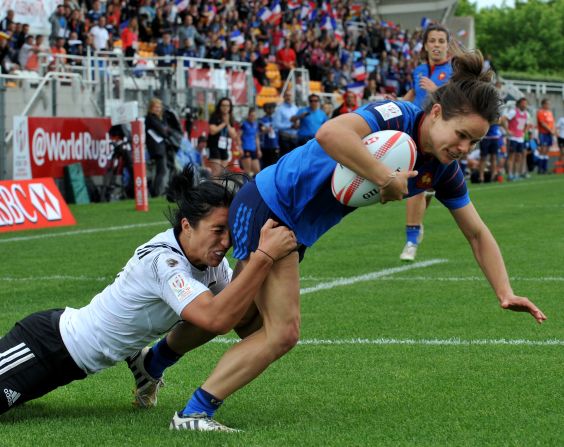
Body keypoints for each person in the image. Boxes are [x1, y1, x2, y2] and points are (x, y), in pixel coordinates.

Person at [140, 50, 546, 432]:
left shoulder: (441, 169)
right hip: (273, 204)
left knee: (245, 319)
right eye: (461, 135)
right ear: (436, 112)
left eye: (473, 143)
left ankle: (153, 361)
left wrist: (504, 291)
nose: (463, 149)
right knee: (282, 332)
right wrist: (384, 176)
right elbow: (331, 132)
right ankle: (195, 411)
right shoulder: (396, 115)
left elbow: (476, 232)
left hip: (291, 221)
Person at [0, 167, 297, 417]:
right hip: (47, 344)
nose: (226, 242)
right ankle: (151, 362)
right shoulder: (163, 261)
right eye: (218, 230)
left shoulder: (209, 262)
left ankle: (152, 363)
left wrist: (264, 261)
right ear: (187, 226)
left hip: (68, 367)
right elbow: (216, 319)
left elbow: (242, 319)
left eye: (231, 232)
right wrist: (262, 258)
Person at [399, 23, 453, 262]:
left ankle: (416, 225)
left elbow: (460, 99)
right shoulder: (419, 69)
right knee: (415, 186)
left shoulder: (454, 70)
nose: (437, 45)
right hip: (418, 134)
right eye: (433, 41)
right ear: (426, 45)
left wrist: (437, 89)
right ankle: (411, 240)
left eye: (441, 41)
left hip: (444, 135)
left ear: (447, 45)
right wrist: (398, 101)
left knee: (429, 188)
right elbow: (414, 93)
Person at [207, 97, 239, 176]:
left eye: (228, 106)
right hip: (214, 146)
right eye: (223, 105)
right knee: (216, 172)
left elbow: (233, 135)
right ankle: (213, 188)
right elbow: (212, 131)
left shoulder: (230, 118)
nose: (225, 108)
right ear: (220, 106)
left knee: (223, 173)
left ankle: (220, 188)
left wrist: (227, 123)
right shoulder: (215, 116)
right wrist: (224, 123)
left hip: (224, 147)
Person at [501, 97, 530, 181]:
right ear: (519, 104)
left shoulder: (526, 114)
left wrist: (524, 131)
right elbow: (503, 119)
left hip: (520, 138)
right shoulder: (513, 112)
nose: (524, 105)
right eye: (523, 103)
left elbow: (527, 124)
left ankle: (516, 174)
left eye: (526, 103)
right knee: (511, 156)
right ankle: (510, 174)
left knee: (519, 157)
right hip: (512, 138)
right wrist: (507, 130)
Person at [145, 97, 170, 197]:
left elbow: (165, 128)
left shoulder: (158, 118)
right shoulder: (151, 118)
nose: (158, 109)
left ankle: (156, 191)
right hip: (156, 149)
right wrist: (166, 131)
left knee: (159, 171)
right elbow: (163, 131)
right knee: (161, 171)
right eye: (155, 107)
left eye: (159, 107)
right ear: (151, 108)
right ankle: (156, 193)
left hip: (159, 148)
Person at [272, 90, 299, 156]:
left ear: (293, 97)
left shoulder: (295, 108)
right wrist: (290, 126)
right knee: (285, 159)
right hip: (284, 138)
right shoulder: (279, 109)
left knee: (295, 159)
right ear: (284, 97)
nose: (288, 97)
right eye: (286, 95)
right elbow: (276, 125)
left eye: (290, 95)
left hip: (295, 138)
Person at [240, 108, 262, 177]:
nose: (253, 117)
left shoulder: (256, 124)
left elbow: (256, 137)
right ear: (248, 116)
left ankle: (255, 187)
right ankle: (244, 186)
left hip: (253, 149)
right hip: (246, 148)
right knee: (247, 171)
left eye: (254, 116)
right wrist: (240, 148)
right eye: (251, 115)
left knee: (258, 171)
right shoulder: (244, 124)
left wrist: (258, 150)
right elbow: (238, 137)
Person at [536, 98, 555, 174]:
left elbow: (552, 123)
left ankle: (545, 168)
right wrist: (551, 130)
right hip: (543, 133)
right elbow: (542, 123)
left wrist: (553, 130)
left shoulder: (550, 113)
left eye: (549, 104)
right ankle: (540, 168)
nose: (548, 105)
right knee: (543, 150)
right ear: (543, 104)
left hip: (549, 134)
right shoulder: (540, 112)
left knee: (547, 151)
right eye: (547, 104)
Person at [259, 102, 280, 168]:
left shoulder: (276, 119)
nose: (270, 109)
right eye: (268, 108)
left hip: (275, 145)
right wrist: (266, 130)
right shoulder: (262, 120)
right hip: (266, 146)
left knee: (275, 164)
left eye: (272, 108)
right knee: (266, 164)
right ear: (265, 109)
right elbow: (261, 131)